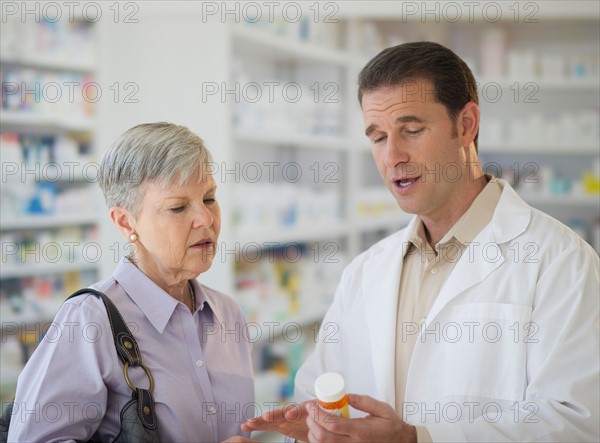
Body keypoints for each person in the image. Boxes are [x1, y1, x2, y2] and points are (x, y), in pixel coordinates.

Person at [240, 42, 600, 442]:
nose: (392, 155)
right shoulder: (366, 270)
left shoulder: (561, 261)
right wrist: (315, 429)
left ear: (466, 125)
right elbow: (320, 389)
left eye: (411, 130)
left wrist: (418, 438)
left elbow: (576, 425)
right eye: (377, 137)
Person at [7, 123, 254, 442]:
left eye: (209, 199)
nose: (205, 219)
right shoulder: (89, 319)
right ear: (126, 222)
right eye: (178, 207)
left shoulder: (228, 314)